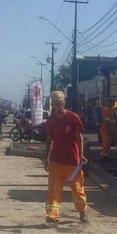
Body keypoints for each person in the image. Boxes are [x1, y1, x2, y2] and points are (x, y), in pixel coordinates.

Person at [44, 91, 88, 225]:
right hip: (56, 161)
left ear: (64, 103)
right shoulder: (51, 120)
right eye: (56, 104)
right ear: (53, 105)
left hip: (73, 162)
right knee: (54, 190)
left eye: (61, 104)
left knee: (77, 189)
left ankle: (82, 212)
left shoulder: (73, 117)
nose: (59, 107)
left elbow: (78, 137)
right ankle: (52, 216)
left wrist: (81, 155)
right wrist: (47, 157)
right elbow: (49, 140)